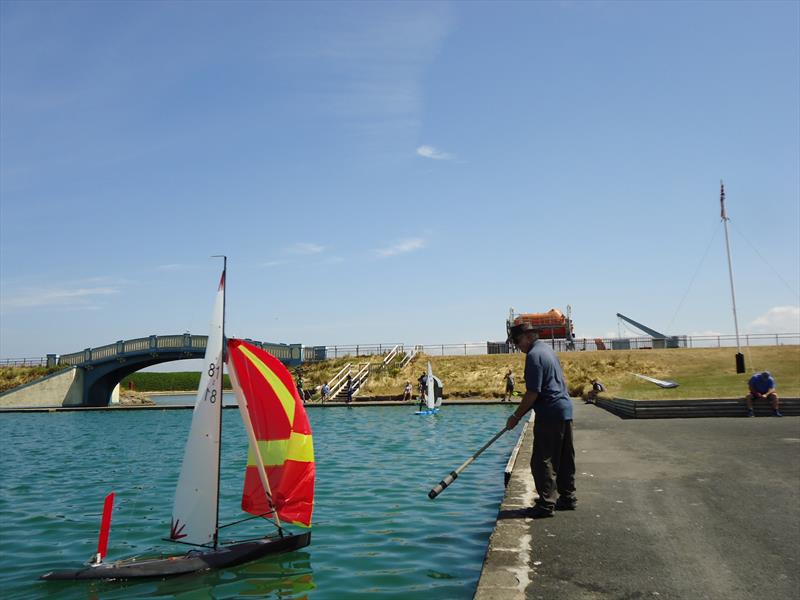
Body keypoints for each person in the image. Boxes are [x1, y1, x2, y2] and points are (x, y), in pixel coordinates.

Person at [505, 322, 576, 519]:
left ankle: (546, 504)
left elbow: (532, 392)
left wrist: (515, 417)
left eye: (517, 341)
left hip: (550, 413)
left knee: (542, 460)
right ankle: (568, 498)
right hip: (564, 409)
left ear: (528, 337)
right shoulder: (547, 350)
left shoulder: (534, 356)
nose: (517, 346)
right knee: (564, 457)